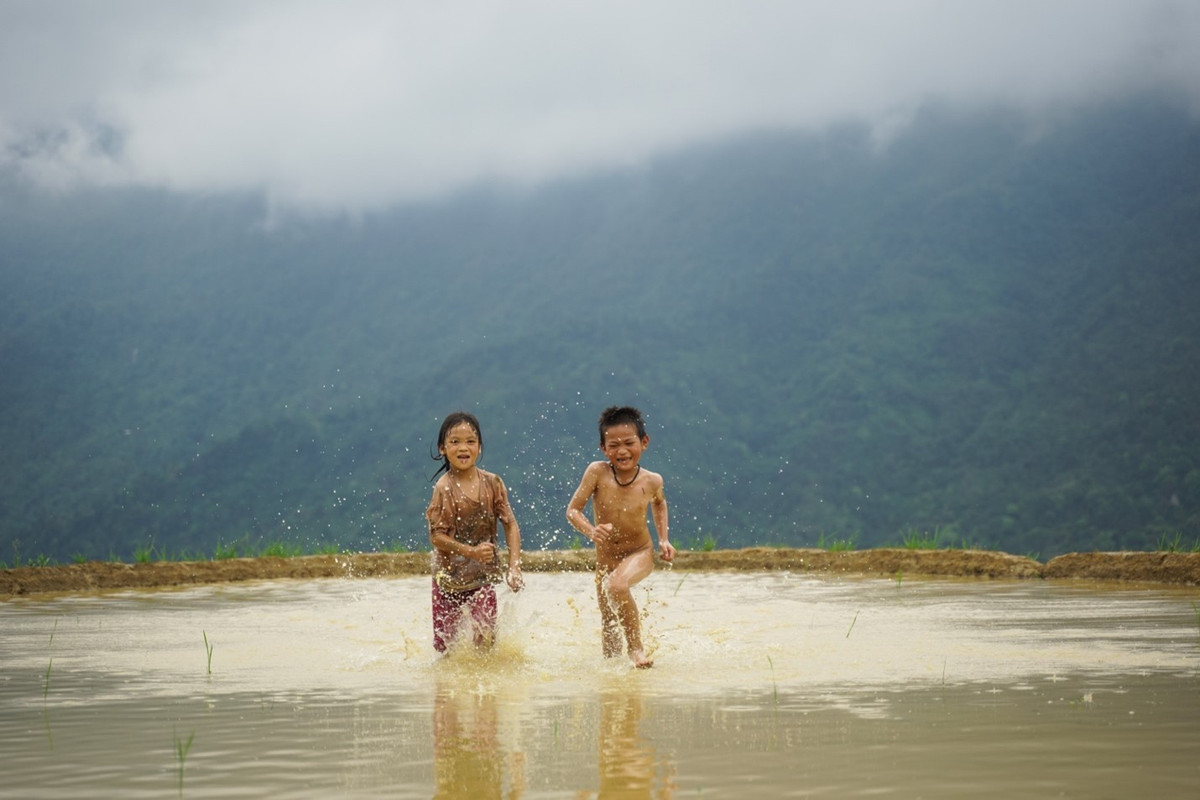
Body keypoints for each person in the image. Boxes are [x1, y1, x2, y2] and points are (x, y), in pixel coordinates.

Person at [566, 406, 675, 668]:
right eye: (614, 445)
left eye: (629, 443)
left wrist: (663, 539)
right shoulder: (597, 472)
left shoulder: (652, 481)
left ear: (644, 442)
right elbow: (572, 510)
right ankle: (615, 678)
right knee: (609, 623)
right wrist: (591, 530)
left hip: (640, 552)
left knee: (617, 585)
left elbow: (659, 504)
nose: (622, 451)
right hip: (606, 558)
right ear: (603, 448)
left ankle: (637, 650)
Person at [426, 411, 524, 653]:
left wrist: (514, 566)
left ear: (479, 447)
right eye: (455, 442)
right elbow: (436, 537)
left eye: (470, 441)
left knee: (486, 640)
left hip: (482, 579)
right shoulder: (444, 488)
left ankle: (487, 690)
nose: (463, 448)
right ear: (442, 448)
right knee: (447, 649)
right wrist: (471, 552)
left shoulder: (493, 483)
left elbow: (510, 524)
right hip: (447, 580)